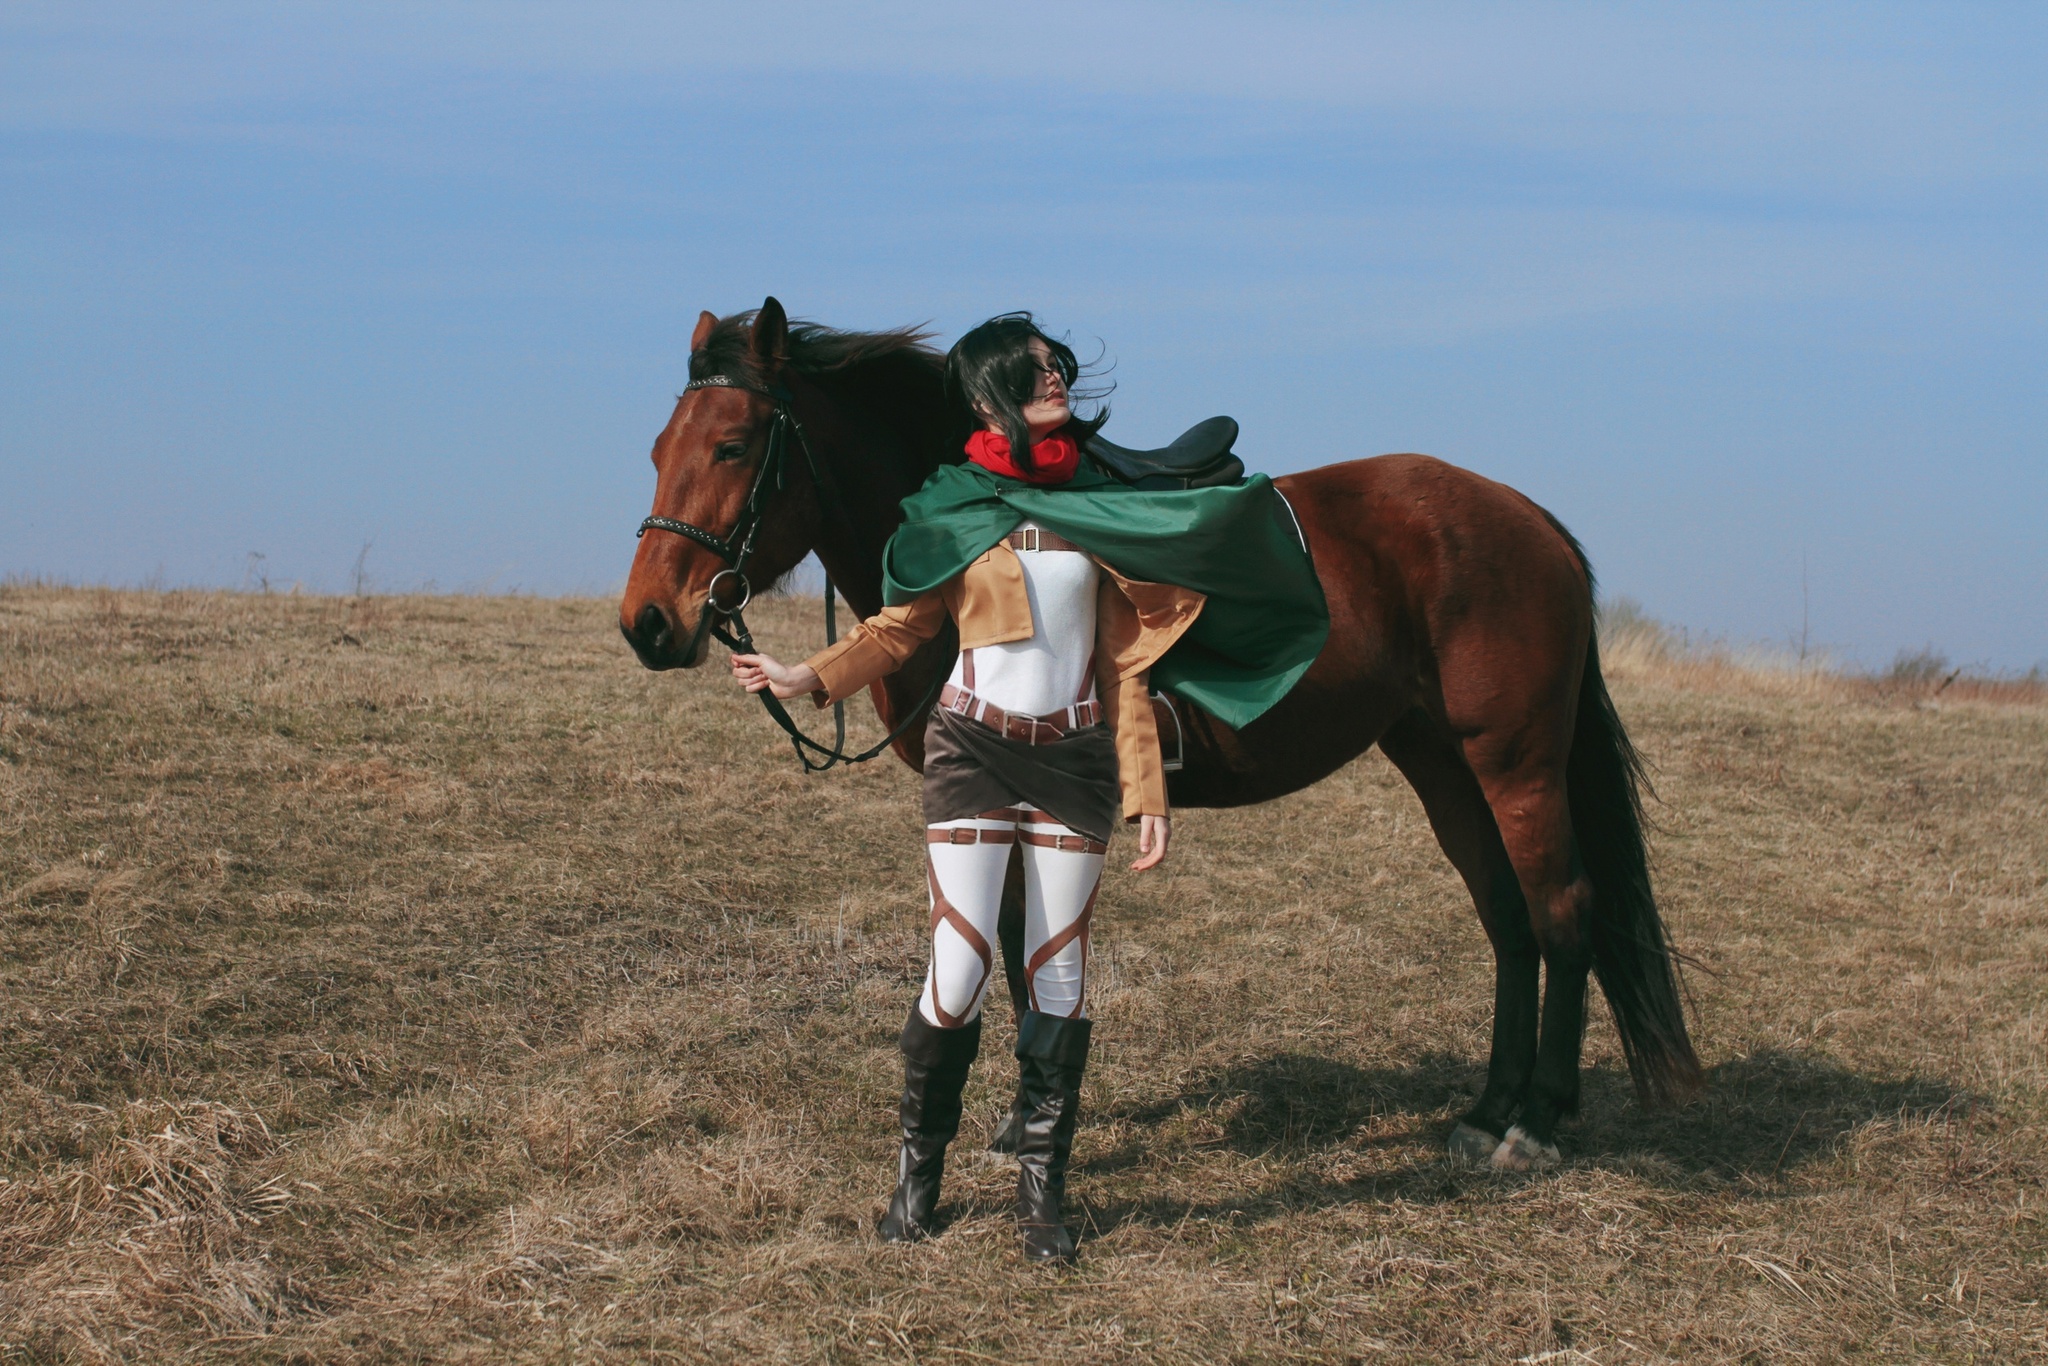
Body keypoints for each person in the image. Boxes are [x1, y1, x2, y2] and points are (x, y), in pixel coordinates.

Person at [735, 312, 1330, 1262]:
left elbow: (1123, 665)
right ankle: (917, 1178)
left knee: (1059, 978)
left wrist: (1148, 791)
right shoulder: (951, 506)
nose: (1055, 380)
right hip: (971, 749)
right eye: (1033, 370)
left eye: (1057, 367)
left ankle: (1042, 1193)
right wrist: (809, 673)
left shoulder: (1100, 506)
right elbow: (901, 628)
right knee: (960, 969)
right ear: (986, 396)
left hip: (1075, 759)